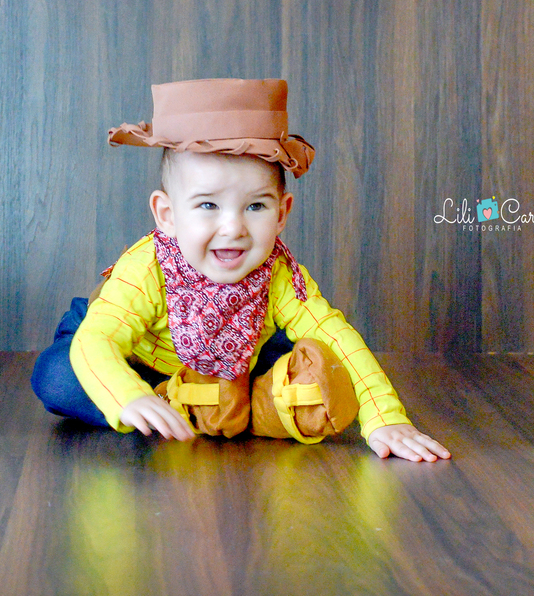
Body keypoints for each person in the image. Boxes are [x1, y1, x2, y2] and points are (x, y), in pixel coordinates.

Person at [31, 78, 450, 462]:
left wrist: (385, 417)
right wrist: (129, 396)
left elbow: (337, 338)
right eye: (208, 205)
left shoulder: (280, 275)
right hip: (138, 356)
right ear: (167, 214)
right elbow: (97, 341)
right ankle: (187, 405)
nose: (233, 229)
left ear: (282, 212)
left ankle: (229, 402)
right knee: (59, 376)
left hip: (238, 357)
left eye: (255, 206)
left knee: (314, 362)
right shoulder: (145, 268)